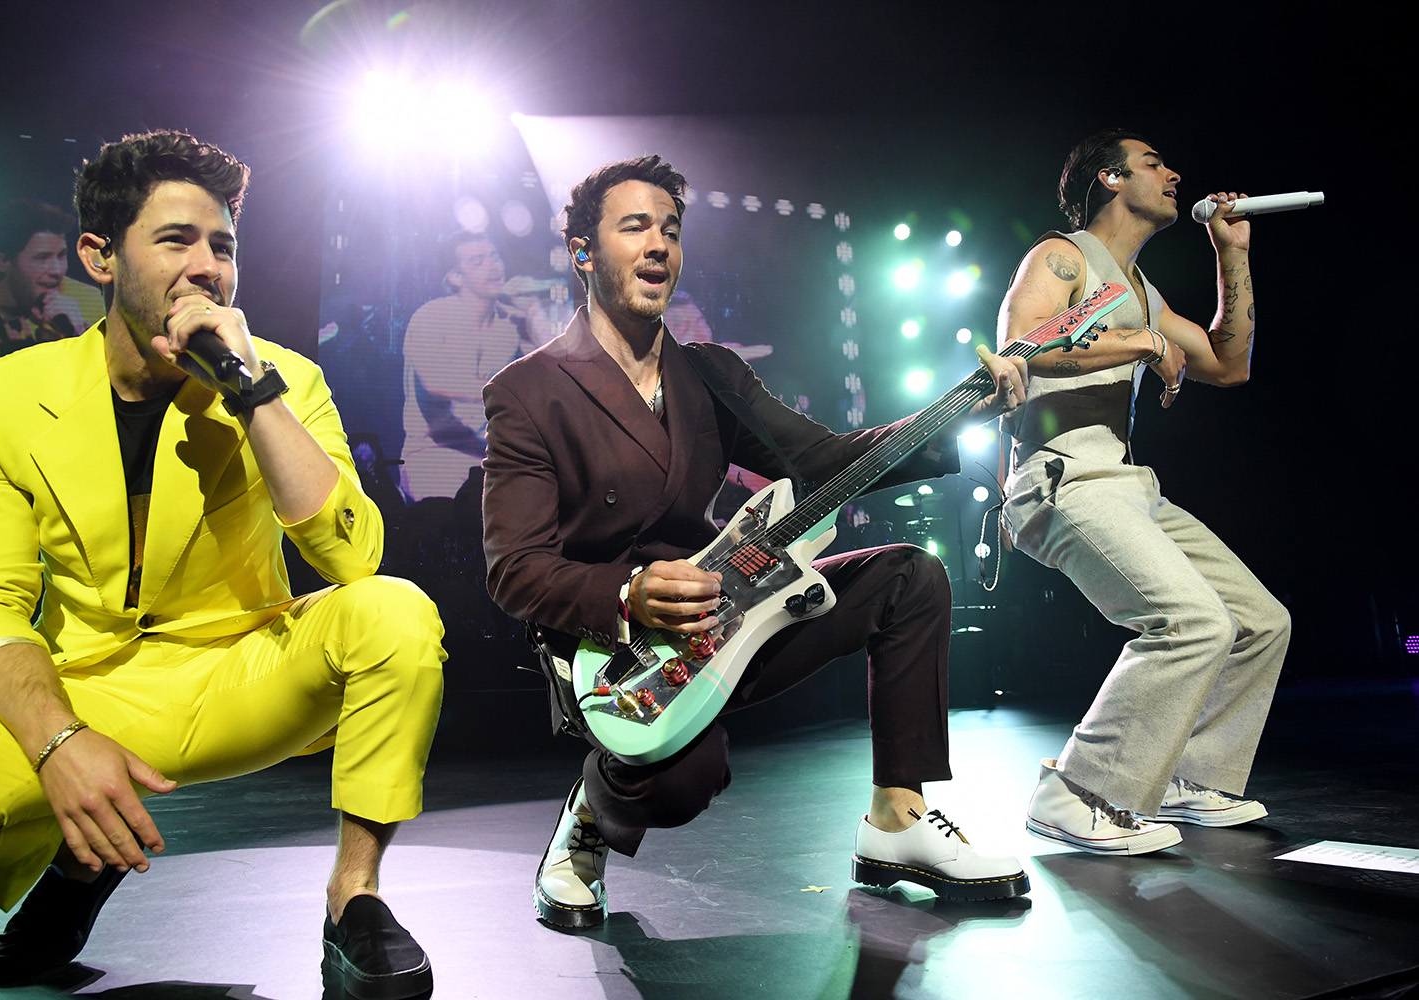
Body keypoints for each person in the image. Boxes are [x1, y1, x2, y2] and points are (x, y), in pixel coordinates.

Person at [0, 131, 444, 998]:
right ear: (99, 256)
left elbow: (354, 556)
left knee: (395, 609)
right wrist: (57, 740)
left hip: (243, 671)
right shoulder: (2, 399)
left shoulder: (285, 379)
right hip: (81, 688)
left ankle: (355, 897)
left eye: (223, 246)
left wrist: (250, 390)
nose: (207, 267)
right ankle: (76, 869)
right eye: (175, 241)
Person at [481, 154, 1032, 929]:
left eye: (669, 230)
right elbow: (516, 570)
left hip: (735, 608)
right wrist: (628, 593)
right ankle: (589, 818)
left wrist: (965, 410)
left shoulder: (708, 373)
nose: (658, 246)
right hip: (623, 652)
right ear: (581, 251)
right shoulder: (527, 391)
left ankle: (898, 821)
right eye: (634, 226)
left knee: (910, 578)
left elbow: (827, 462)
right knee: (681, 787)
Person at [996, 129, 1290, 855]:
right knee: (1192, 622)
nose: (1175, 173)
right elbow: (1019, 352)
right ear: (1110, 178)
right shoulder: (1062, 256)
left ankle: (1193, 776)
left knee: (1258, 622)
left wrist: (1232, 255)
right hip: (1061, 477)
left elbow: (1227, 364)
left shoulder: (1141, 293)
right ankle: (1078, 791)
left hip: (1128, 486)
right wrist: (1143, 344)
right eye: (1155, 163)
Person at [398, 231, 555, 501]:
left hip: (494, 458)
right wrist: (514, 393)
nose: (493, 266)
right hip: (434, 458)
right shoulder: (431, 317)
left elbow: (556, 369)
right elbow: (436, 380)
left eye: (494, 256)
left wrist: (533, 312)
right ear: (456, 277)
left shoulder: (511, 322)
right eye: (478, 261)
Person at [0, 199, 105, 441]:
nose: (57, 270)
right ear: (2, 261)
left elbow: (103, 402)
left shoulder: (86, 299)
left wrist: (78, 332)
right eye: (42, 258)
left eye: (61, 256)